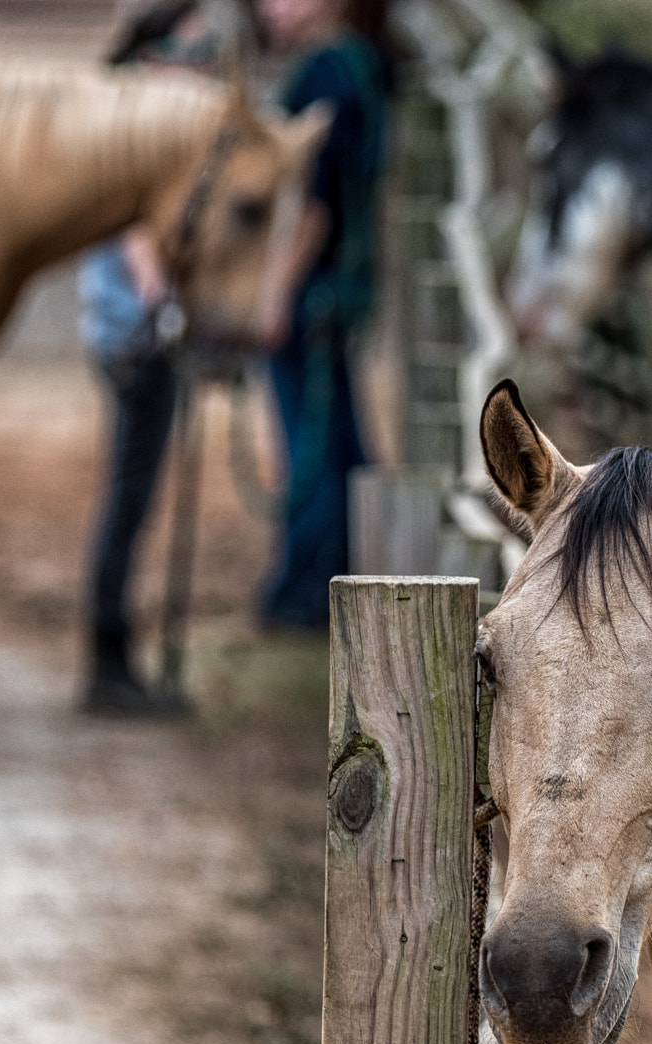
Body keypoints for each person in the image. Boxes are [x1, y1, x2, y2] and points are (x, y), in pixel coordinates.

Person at [75, 0, 221, 716]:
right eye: (189, 54)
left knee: (131, 501)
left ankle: (115, 654)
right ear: (151, 56)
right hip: (138, 338)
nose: (201, 71)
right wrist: (168, 308)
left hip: (133, 334)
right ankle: (107, 659)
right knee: (127, 502)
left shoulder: (140, 126)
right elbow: (139, 237)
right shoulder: (138, 134)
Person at [254, 0, 392, 629]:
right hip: (341, 285)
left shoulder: (322, 74)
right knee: (337, 431)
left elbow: (314, 209)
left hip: (313, 287)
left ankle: (308, 591)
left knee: (309, 439)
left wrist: (274, 295)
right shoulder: (362, 64)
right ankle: (347, 573)